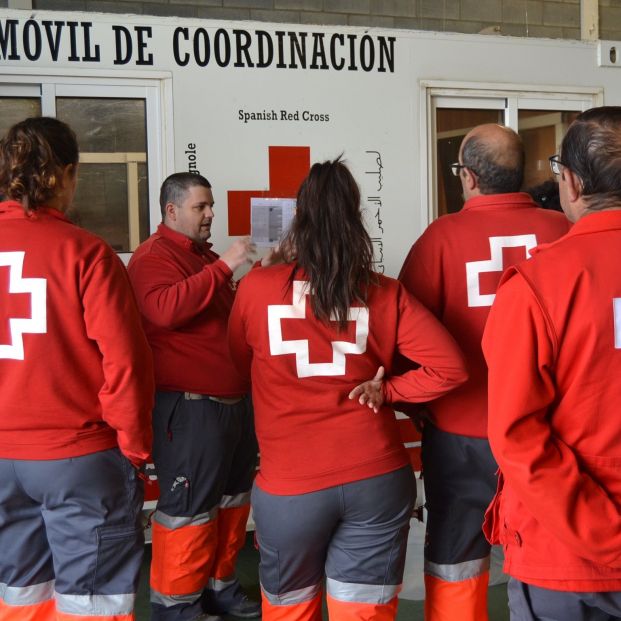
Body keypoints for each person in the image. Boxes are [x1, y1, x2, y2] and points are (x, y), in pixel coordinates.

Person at [227, 158, 469, 621]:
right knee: (363, 613)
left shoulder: (256, 290)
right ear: (354, 216)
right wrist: (390, 391)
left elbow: (240, 367)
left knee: (288, 611)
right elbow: (450, 369)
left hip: (290, 487)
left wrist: (271, 273)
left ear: (301, 217)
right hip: (375, 478)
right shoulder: (384, 291)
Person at [398, 124, 571, 621]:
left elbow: (406, 339)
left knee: (457, 553)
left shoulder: (440, 239)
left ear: (468, 177)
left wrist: (420, 407)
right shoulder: (562, 232)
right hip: (550, 431)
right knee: (548, 549)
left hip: (460, 433)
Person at [0, 117, 154, 620]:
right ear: (67, 175)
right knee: (94, 602)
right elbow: (126, 363)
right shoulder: (87, 253)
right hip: (79, 459)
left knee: (21, 595)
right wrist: (134, 448)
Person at [482, 106, 621, 620]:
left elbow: (517, 435)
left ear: (572, 183)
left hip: (567, 560)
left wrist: (605, 537)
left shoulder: (538, 287)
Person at [127, 172, 261, 621]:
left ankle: (218, 587)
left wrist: (257, 275)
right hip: (189, 408)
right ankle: (176, 605)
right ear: (171, 210)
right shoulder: (152, 257)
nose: (210, 215)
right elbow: (165, 311)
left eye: (211, 207)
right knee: (188, 511)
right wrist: (226, 266)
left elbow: (224, 317)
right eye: (201, 207)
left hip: (234, 406)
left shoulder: (202, 257)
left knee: (231, 502)